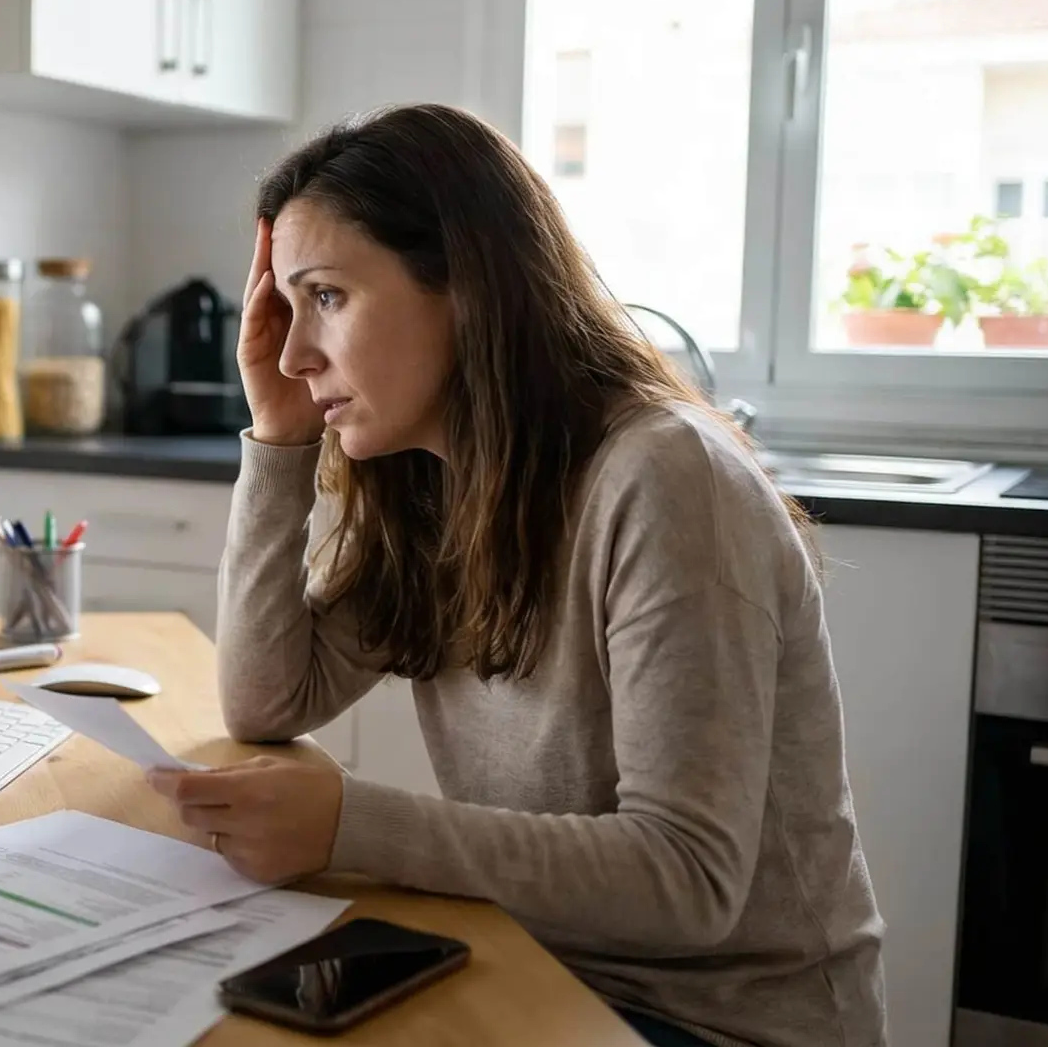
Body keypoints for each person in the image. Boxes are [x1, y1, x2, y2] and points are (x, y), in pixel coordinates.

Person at [145, 104, 887, 1047]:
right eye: (285, 309)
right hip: (533, 964)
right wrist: (280, 437)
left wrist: (349, 825)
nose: (294, 354)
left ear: (468, 284)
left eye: (326, 297)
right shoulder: (432, 483)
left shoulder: (663, 477)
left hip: (721, 1024)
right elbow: (266, 698)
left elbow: (690, 880)